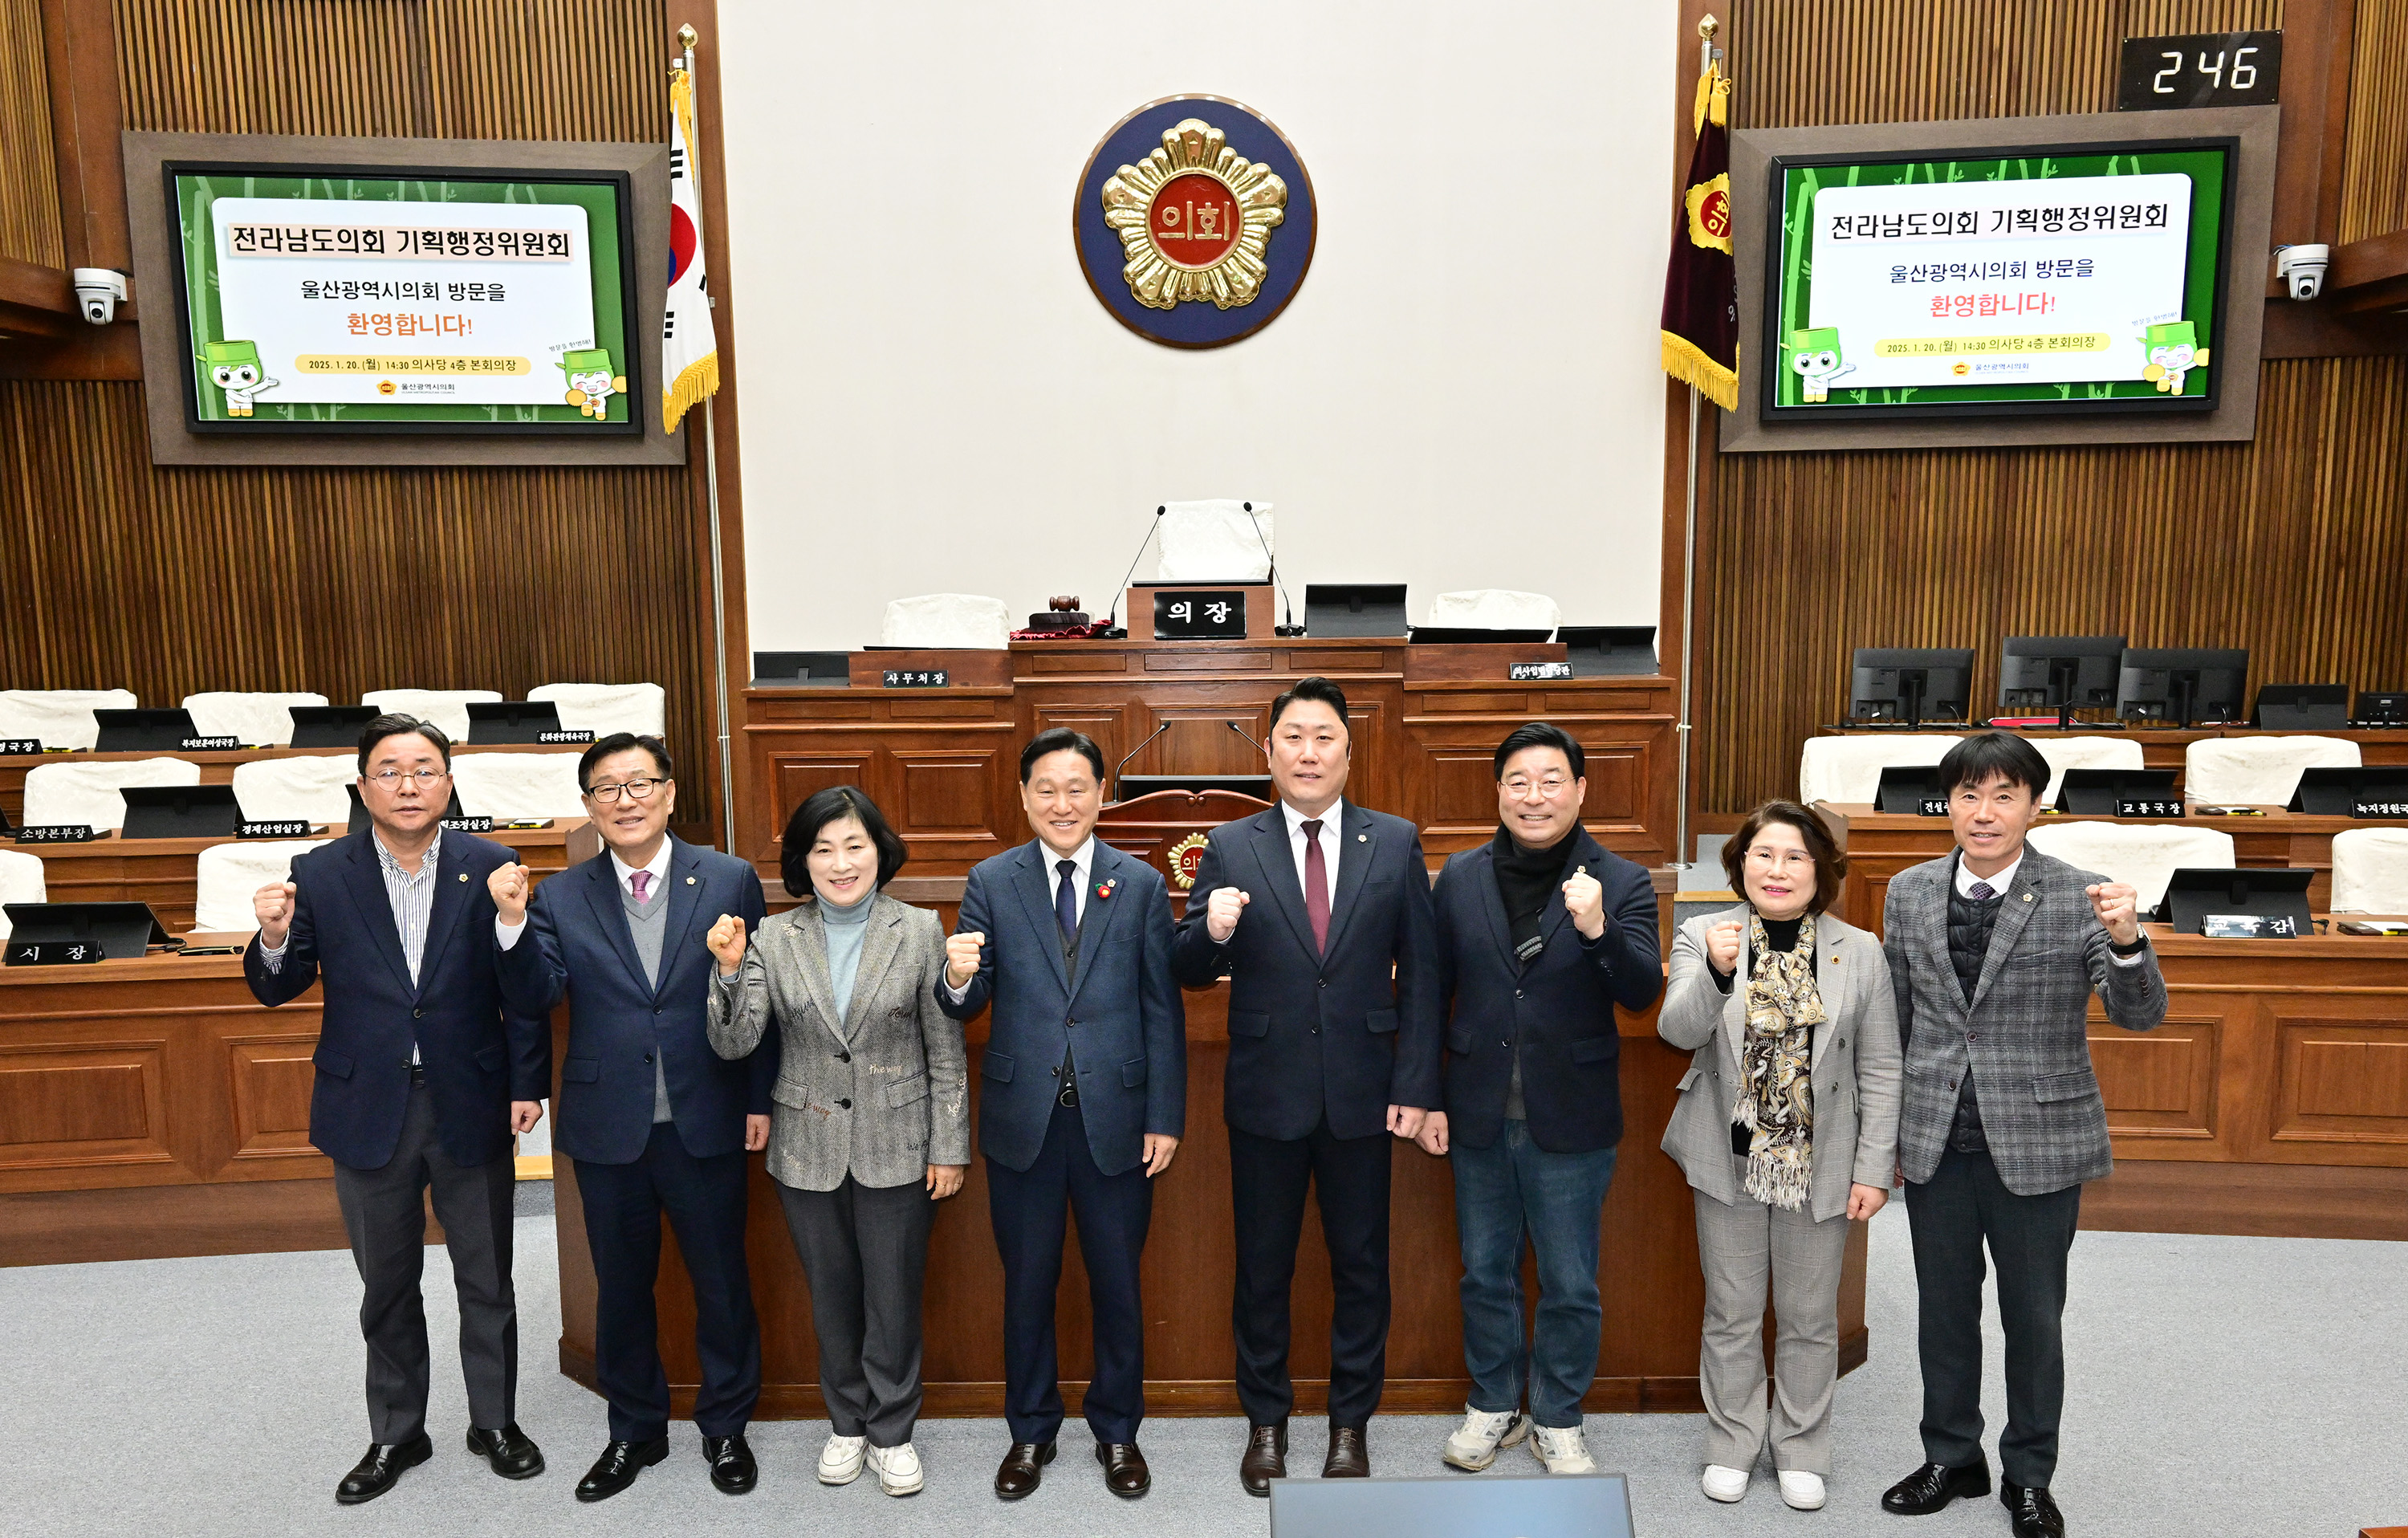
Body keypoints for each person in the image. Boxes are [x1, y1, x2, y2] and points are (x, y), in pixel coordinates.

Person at [244, 714, 550, 1505]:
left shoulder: (494, 865)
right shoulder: (319, 871)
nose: (408, 784)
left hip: (470, 1097)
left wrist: (525, 1078)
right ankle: (397, 1429)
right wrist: (273, 933)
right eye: (390, 770)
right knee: (387, 1280)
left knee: (488, 1275)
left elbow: (526, 996)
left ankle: (494, 1421)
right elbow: (278, 983)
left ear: (449, 782)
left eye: (424, 768)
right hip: (367, 1104)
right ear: (361, 785)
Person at [1878, 731, 2164, 1538]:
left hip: (2038, 1142)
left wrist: (2128, 939)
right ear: (1949, 803)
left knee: (2033, 1318)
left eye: (2005, 794)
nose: (1985, 811)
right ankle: (1951, 1454)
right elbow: (1896, 1020)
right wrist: (1883, 1136)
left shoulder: (2080, 894)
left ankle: (2029, 1473)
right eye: (1969, 794)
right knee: (1942, 1309)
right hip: (1936, 1134)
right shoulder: (1907, 889)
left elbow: (2140, 1014)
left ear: (2036, 805)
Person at [1170, 675, 1441, 1491]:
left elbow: (1423, 977)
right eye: (1293, 735)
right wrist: (1211, 931)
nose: (1309, 750)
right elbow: (1184, 963)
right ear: (1270, 750)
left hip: (1365, 1090)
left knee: (1362, 1265)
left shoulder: (1393, 841)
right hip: (1267, 1090)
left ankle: (1350, 1423)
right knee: (1263, 1267)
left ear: (1349, 751)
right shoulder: (1231, 842)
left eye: (1325, 736)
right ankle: (1266, 1421)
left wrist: (1419, 1083)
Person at [490, 732, 772, 1502]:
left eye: (640, 783)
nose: (626, 800)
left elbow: (757, 999)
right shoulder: (557, 894)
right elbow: (534, 996)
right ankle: (635, 1431)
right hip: (607, 1119)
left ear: (671, 792)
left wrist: (756, 1100)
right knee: (621, 1288)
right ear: (588, 807)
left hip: (706, 1113)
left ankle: (725, 1428)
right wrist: (512, 926)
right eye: (606, 789)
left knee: (720, 1281)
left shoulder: (729, 877)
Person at [938, 729, 1185, 1500]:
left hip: (1117, 1119)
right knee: (1028, 1285)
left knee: (1118, 1285)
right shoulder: (991, 878)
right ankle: (1031, 1433)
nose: (1062, 803)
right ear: (1022, 797)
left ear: (1102, 792)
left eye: (1077, 787)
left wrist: (1166, 1116)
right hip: (1026, 1122)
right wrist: (954, 979)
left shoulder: (1138, 882)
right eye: (1045, 789)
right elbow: (971, 1002)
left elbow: (1160, 1006)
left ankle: (1118, 1432)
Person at [706, 786, 969, 1498]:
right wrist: (729, 970)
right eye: (823, 849)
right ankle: (846, 1424)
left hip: (902, 1138)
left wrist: (949, 1146)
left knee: (893, 1295)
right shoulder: (771, 937)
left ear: (880, 852)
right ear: (803, 862)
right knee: (831, 1295)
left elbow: (945, 1050)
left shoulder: (919, 930)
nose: (840, 862)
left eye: (854, 845)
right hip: (807, 1143)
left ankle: (892, 1431)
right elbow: (735, 1043)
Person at [1417, 722, 1662, 1478]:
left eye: (1552, 780)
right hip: (1477, 1110)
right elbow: (1431, 993)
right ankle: (1494, 1403)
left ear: (1581, 790)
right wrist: (1425, 1098)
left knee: (1569, 1280)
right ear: (1498, 792)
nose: (1535, 795)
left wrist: (1597, 930)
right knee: (1485, 1271)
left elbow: (1642, 988)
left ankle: (1559, 1415)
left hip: (1573, 1115)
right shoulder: (1457, 874)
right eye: (1519, 781)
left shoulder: (1621, 881)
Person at [1658, 799, 1901, 1512]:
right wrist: (1717, 973)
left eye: (1796, 856)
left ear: (1821, 871)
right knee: (1732, 1312)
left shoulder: (1859, 950)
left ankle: (1801, 1448)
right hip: (1724, 1158)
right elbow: (1677, 1031)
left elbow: (1882, 1067)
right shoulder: (1705, 932)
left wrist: (1873, 1167)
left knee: (1807, 1316)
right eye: (1764, 854)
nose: (1778, 869)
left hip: (1819, 1163)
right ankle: (1733, 1443)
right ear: (1740, 864)